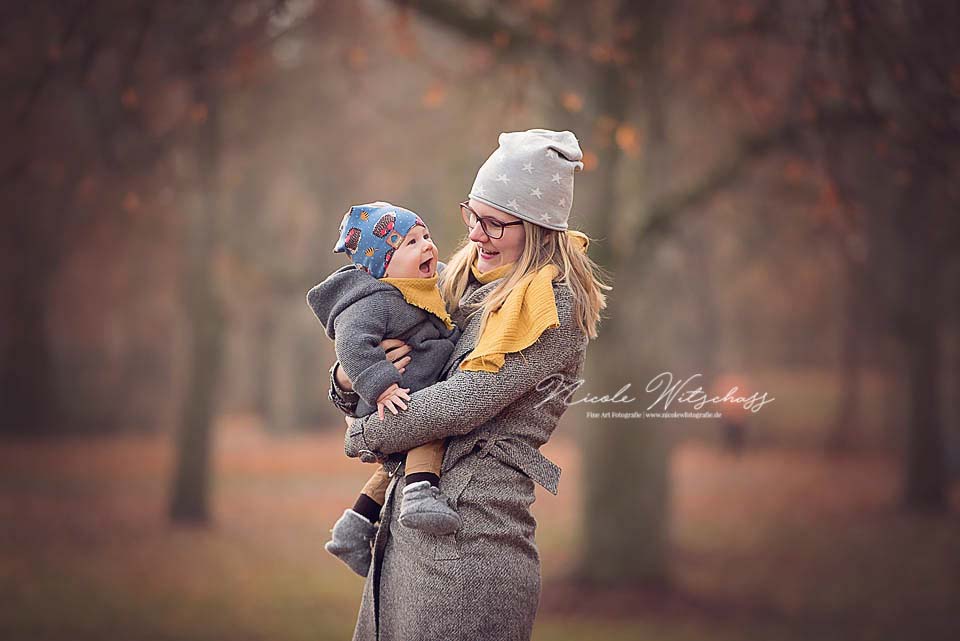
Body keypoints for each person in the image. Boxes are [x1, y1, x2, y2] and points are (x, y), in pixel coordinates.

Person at [328, 129, 609, 641]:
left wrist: (360, 435)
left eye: (494, 223)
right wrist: (349, 378)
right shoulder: (457, 285)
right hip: (405, 542)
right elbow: (389, 359)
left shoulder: (550, 306)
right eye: (472, 216)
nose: (476, 235)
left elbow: (463, 402)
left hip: (470, 550)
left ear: (538, 227)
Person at [306, 202, 464, 577]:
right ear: (382, 265)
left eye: (426, 236)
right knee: (429, 432)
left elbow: (457, 276)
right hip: (392, 393)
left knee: (400, 462)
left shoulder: (425, 283)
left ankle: (354, 525)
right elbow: (353, 346)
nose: (427, 246)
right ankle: (420, 496)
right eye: (411, 243)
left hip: (409, 387)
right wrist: (379, 386)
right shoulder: (373, 300)